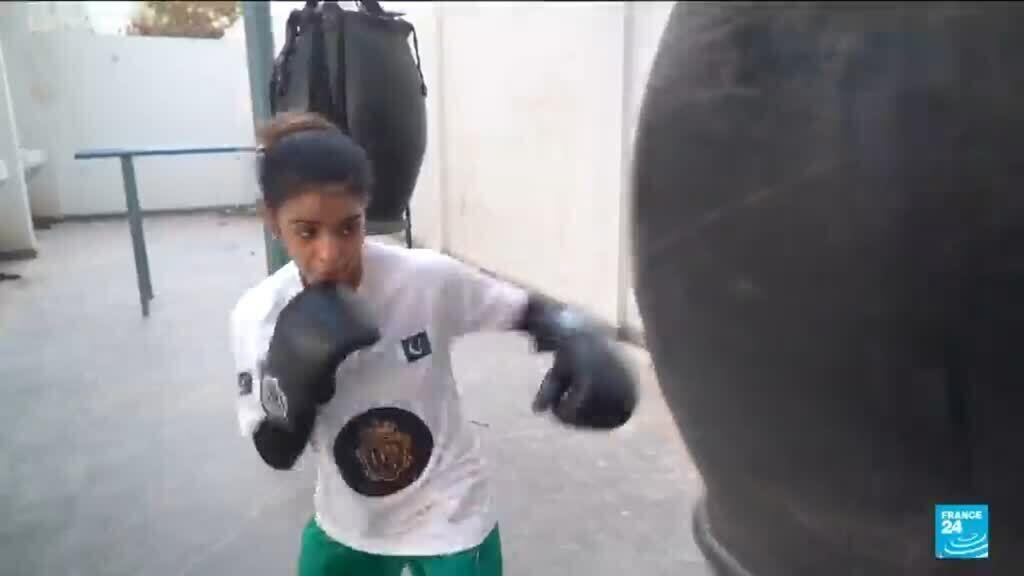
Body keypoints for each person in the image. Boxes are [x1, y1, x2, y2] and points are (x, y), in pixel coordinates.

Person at [229, 112, 637, 576]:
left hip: (450, 515)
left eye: (349, 227)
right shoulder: (259, 315)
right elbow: (275, 452)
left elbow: (527, 310)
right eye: (307, 232)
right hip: (347, 523)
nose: (330, 253)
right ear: (272, 222)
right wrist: (297, 377)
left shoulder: (424, 279)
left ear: (366, 212)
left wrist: (574, 334)